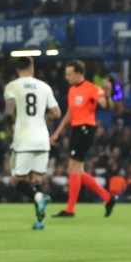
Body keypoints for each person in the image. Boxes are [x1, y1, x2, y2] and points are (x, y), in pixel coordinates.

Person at [50, 60, 117, 217]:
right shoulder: (72, 90)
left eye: (69, 74)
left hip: (86, 129)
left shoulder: (92, 88)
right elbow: (69, 113)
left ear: (79, 74)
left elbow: (106, 105)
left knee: (73, 167)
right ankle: (108, 198)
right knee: (78, 171)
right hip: (76, 130)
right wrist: (57, 132)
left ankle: (70, 209)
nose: (67, 77)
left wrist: (107, 95)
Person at [4, 56, 61, 230]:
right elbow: (57, 112)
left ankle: (38, 198)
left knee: (16, 181)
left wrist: (10, 127)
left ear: (16, 69)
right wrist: (45, 118)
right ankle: (40, 220)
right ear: (32, 67)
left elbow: (9, 110)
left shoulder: (13, 86)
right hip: (42, 138)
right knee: (36, 181)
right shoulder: (44, 86)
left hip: (23, 138)